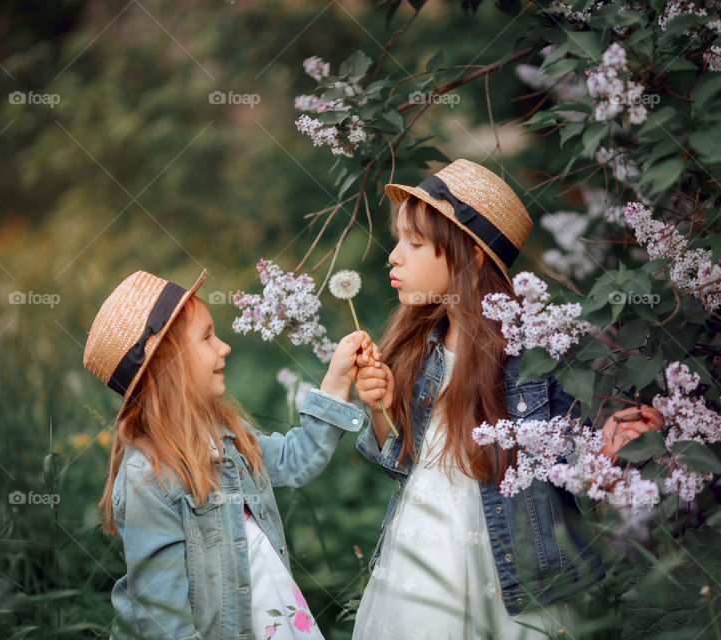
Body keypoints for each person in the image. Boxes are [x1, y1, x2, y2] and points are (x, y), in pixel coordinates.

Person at [349, 159, 664, 638]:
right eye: (399, 241)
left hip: (509, 566)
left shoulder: (532, 357)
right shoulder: (419, 346)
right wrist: (378, 407)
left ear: (472, 256)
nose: (394, 256)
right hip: (421, 547)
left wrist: (607, 449)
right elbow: (405, 461)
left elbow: (569, 461)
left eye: (414, 244)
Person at [83, 269, 369, 640]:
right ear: (168, 366)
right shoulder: (148, 479)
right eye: (207, 337)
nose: (224, 347)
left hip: (271, 617)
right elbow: (164, 617)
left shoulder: (226, 435)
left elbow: (293, 461)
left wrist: (336, 381)